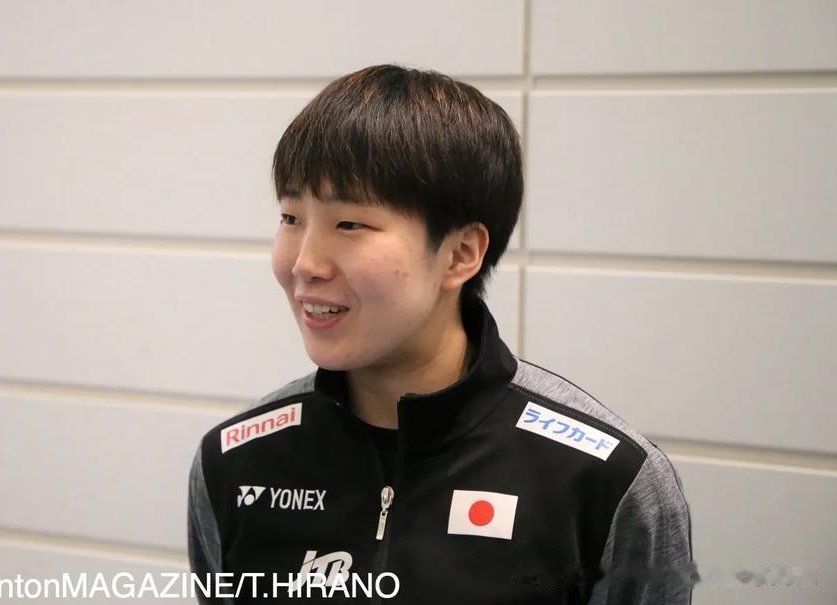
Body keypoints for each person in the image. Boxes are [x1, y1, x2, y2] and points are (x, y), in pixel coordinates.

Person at [188, 64, 694, 604]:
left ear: (460, 255)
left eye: (349, 224)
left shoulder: (605, 480)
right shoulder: (234, 461)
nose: (304, 264)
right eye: (291, 218)